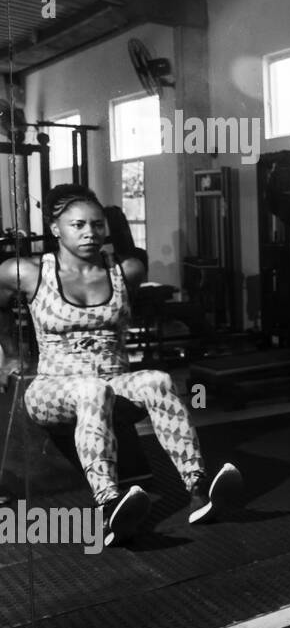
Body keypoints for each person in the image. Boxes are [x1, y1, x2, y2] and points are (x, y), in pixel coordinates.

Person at [0, 184, 244, 546]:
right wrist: (10, 354)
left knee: (157, 380)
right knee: (92, 390)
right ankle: (109, 506)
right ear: (55, 229)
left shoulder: (125, 270)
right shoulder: (26, 272)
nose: (89, 233)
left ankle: (200, 487)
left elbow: (133, 252)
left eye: (98, 225)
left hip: (115, 382)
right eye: (78, 224)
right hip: (52, 389)